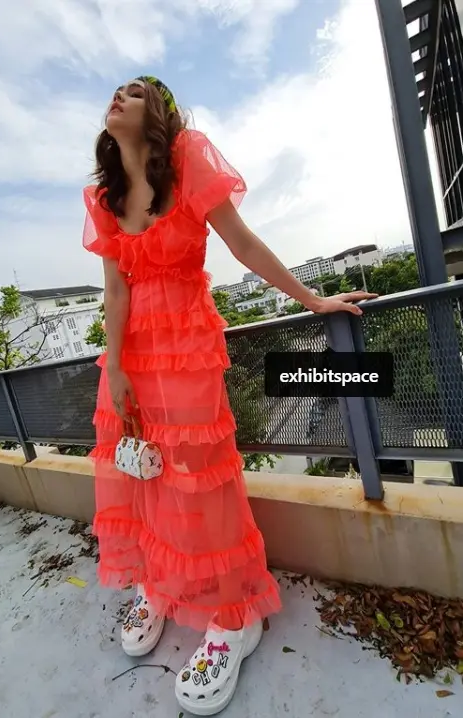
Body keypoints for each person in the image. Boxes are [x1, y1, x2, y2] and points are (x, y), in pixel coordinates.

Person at [82, 75, 376, 716]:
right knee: (144, 473)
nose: (119, 95)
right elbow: (117, 290)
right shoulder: (105, 196)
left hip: (187, 347)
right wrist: (117, 366)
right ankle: (160, 582)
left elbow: (241, 243)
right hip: (133, 357)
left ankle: (234, 615)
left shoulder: (187, 158)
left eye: (136, 91)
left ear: (159, 113)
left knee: (200, 477)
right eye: (117, 89)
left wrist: (313, 300)